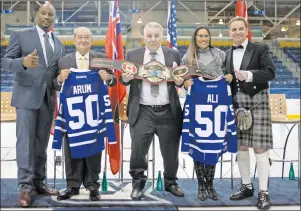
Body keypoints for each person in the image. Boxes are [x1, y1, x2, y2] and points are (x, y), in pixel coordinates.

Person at [1, 3, 65, 207]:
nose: (47, 17)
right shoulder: (21, 35)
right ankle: (25, 187)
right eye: (43, 13)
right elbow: (6, 62)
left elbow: (53, 77)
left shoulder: (59, 44)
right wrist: (23, 63)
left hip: (47, 99)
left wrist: (60, 80)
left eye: (51, 14)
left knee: (41, 144)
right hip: (26, 99)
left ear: (55, 18)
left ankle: (39, 181)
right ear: (36, 15)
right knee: (25, 144)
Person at [120, 22, 184, 200]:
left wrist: (179, 82)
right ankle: (137, 184)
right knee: (138, 151)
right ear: (144, 37)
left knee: (171, 152)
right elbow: (123, 79)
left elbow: (180, 81)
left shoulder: (174, 54)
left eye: (157, 35)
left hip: (168, 111)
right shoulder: (133, 55)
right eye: (149, 35)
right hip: (142, 111)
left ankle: (171, 182)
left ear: (162, 36)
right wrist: (125, 78)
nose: (153, 39)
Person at [55, 27, 116, 201]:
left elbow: (114, 81)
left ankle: (92, 186)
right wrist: (59, 79)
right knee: (71, 150)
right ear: (74, 40)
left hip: (94, 115)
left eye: (86, 38)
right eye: (80, 37)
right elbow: (54, 84)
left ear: (91, 40)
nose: (83, 40)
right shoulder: (63, 61)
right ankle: (72, 185)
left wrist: (108, 78)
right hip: (72, 116)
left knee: (94, 150)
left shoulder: (101, 59)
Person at [225, 17, 275, 210]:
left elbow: (271, 72)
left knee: (260, 148)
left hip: (257, 101)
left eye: (240, 29)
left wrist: (249, 75)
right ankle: (246, 186)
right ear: (229, 32)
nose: (236, 32)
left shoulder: (259, 49)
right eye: (233, 30)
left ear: (246, 30)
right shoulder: (227, 53)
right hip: (237, 103)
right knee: (242, 147)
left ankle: (264, 192)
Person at [181, 26, 233, 201]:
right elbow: (180, 79)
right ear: (195, 38)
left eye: (205, 35)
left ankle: (210, 184)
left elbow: (229, 74)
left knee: (213, 146)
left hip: (216, 107)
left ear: (210, 37)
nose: (203, 38)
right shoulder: (187, 57)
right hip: (197, 106)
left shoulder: (220, 54)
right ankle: (201, 185)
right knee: (198, 146)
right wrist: (184, 83)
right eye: (199, 36)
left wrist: (229, 78)